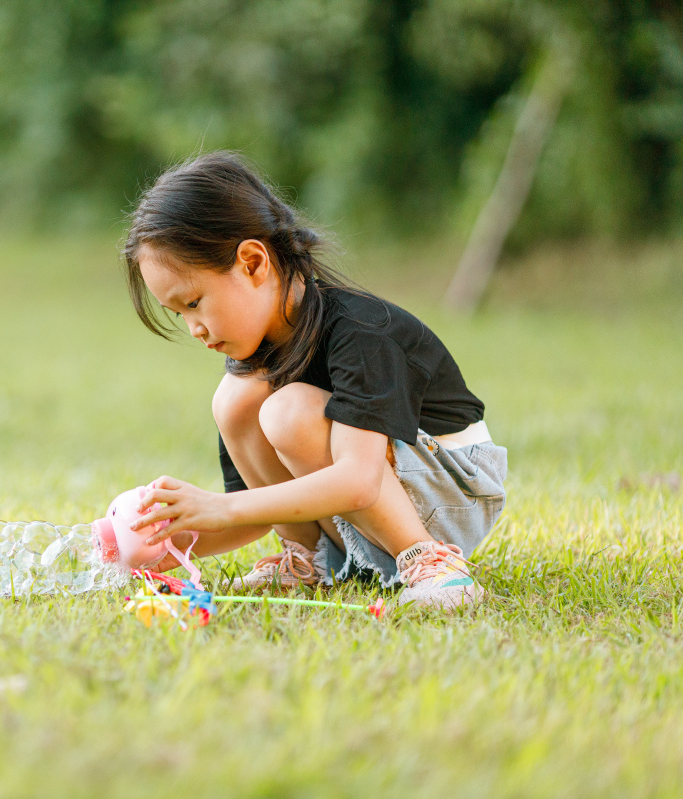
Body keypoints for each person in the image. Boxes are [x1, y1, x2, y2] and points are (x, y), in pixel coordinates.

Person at [123, 151, 507, 609]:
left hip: (450, 490)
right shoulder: (255, 358)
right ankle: (308, 561)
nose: (194, 328)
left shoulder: (361, 332)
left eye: (193, 302)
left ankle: (431, 562)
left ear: (252, 263)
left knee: (289, 411)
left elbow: (358, 481)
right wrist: (171, 540)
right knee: (236, 400)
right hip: (366, 499)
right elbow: (262, 508)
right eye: (179, 314)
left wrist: (219, 507)